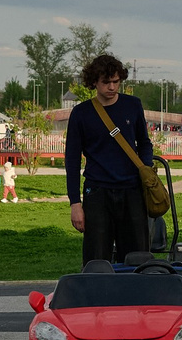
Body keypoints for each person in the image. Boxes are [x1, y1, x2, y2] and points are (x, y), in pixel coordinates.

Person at [66, 54, 155, 269]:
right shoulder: (81, 113)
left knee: (137, 258)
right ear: (94, 82)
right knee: (96, 258)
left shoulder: (133, 105)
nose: (112, 87)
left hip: (132, 190)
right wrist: (75, 203)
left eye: (116, 81)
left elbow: (144, 142)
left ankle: (136, 301)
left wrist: (146, 169)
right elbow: (71, 160)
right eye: (106, 82)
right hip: (97, 192)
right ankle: (95, 299)